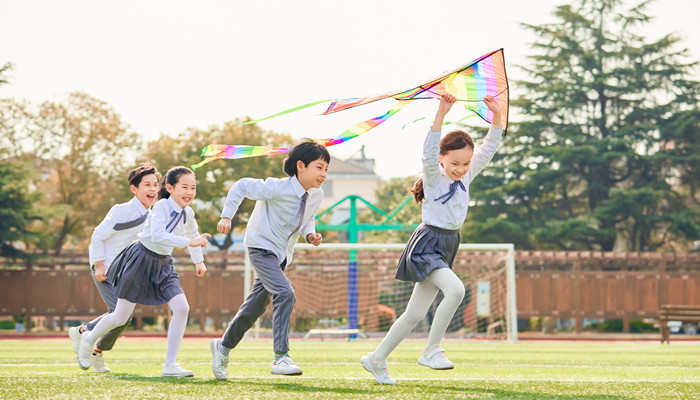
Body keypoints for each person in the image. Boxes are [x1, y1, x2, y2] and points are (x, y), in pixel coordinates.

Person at [361, 93, 503, 385]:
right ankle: (432, 349)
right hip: (427, 244)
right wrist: (441, 112)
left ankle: (376, 359)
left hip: (448, 243)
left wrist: (497, 116)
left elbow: (489, 148)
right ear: (442, 158)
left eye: (465, 164)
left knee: (414, 314)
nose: (460, 169)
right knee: (456, 290)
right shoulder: (434, 176)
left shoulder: (466, 176)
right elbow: (428, 150)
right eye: (455, 163)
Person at [210, 139, 329, 380]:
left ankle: (222, 347)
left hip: (282, 255)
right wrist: (226, 217)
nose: (323, 174)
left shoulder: (316, 194)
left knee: (254, 308)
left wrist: (310, 234)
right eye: (319, 167)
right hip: (261, 248)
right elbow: (241, 186)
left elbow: (308, 216)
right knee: (285, 293)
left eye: (326, 169)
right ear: (300, 166)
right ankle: (281, 356)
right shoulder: (276, 187)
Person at [77, 166, 210, 377]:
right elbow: (158, 236)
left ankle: (170, 365)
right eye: (184, 187)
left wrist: (199, 262)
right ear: (170, 188)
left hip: (164, 263)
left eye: (193, 188)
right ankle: (89, 339)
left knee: (182, 308)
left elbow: (194, 233)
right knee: (120, 316)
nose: (189, 192)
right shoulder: (160, 207)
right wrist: (189, 242)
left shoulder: (188, 212)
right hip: (140, 260)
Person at [68, 164, 161, 373]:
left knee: (121, 318)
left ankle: (85, 335)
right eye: (147, 184)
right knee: (121, 316)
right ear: (133, 189)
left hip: (125, 273)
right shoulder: (122, 210)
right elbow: (97, 236)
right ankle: (89, 342)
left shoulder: (153, 215)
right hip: (106, 268)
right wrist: (99, 266)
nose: (153, 189)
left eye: (155, 185)